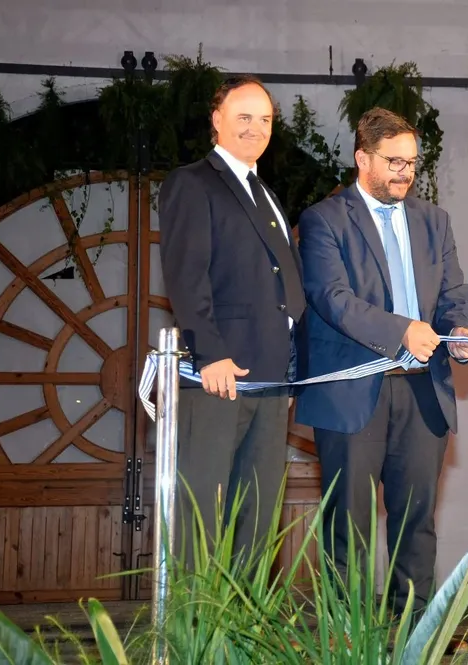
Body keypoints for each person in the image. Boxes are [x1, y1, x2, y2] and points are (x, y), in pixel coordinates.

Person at [294, 107, 468, 648]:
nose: (405, 172)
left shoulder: (434, 221)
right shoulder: (324, 220)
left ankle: (416, 635)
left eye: (412, 162)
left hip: (423, 391)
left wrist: (460, 331)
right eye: (394, 161)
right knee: (347, 525)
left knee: (416, 522)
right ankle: (347, 640)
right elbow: (332, 299)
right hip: (352, 392)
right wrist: (403, 331)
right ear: (363, 158)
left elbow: (454, 295)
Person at [158, 75, 307, 564]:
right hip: (219, 377)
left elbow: (282, 287)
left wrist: (290, 371)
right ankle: (196, 619)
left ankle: (246, 617)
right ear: (217, 120)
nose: (255, 128)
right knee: (203, 520)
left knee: (258, 523)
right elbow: (186, 277)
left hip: (271, 382)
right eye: (244, 117)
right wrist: (210, 354)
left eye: (264, 119)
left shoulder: (266, 193)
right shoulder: (192, 183)